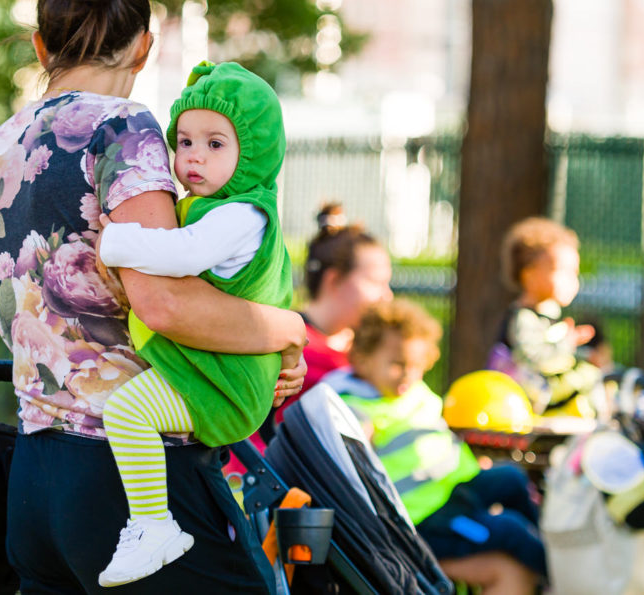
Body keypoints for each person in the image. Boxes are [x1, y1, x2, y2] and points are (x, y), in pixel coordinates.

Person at [0, 0, 306, 594]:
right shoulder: (126, 130)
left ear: (41, 46)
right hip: (129, 481)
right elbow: (164, 303)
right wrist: (289, 328)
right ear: (144, 46)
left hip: (33, 477)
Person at [95, 60, 291, 586]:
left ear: (253, 152)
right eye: (184, 142)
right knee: (130, 412)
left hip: (226, 380)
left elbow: (185, 254)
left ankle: (154, 525)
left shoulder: (241, 214)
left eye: (215, 144)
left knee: (128, 412)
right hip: (216, 365)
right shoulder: (210, 205)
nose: (193, 157)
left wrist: (114, 240)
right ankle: (151, 523)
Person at [324, 299, 546, 595]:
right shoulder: (355, 405)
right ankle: (557, 580)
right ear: (363, 359)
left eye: (416, 366)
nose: (408, 374)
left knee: (512, 478)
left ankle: (547, 545)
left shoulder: (413, 390)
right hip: (426, 519)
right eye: (396, 364)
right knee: (509, 530)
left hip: (457, 486)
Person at [486, 216, 603, 418]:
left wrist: (578, 350)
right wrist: (566, 344)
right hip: (518, 400)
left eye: (574, 272)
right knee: (588, 376)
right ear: (528, 274)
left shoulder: (548, 317)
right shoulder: (524, 318)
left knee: (595, 374)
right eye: (561, 271)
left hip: (540, 395)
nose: (571, 280)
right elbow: (533, 357)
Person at [280, 205, 392, 411]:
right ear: (335, 280)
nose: (387, 295)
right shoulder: (288, 345)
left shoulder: (374, 350)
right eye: (376, 282)